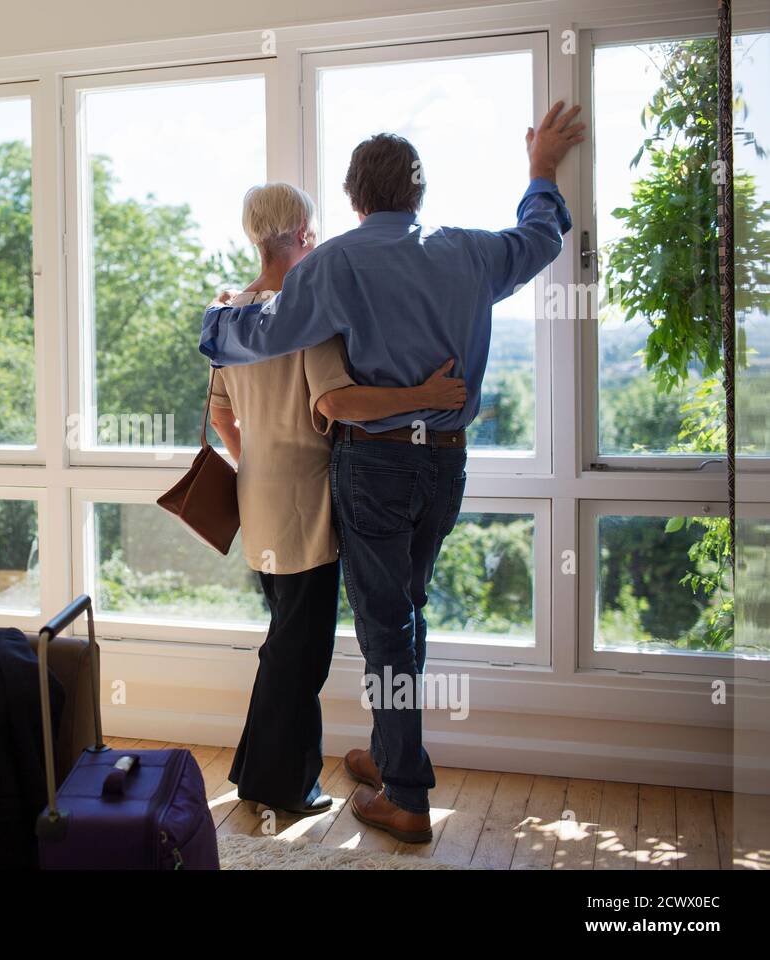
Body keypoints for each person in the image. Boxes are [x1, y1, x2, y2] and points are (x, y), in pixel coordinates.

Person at [201, 103, 584, 842]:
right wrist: (540, 169)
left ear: (354, 197)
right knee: (407, 611)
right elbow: (541, 237)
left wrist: (216, 325)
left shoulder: (338, 261)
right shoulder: (467, 250)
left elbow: (271, 330)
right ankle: (391, 756)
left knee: (386, 627)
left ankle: (406, 793)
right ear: (419, 192)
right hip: (444, 466)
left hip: (375, 465)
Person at [209, 182, 465, 815]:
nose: (319, 242)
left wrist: (257, 466)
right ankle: (284, 787)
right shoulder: (308, 316)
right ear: (299, 235)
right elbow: (338, 404)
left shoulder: (230, 318)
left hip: (257, 499)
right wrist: (424, 395)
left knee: (282, 642)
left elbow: (222, 419)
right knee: (302, 657)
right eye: (314, 231)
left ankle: (253, 770)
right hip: (308, 509)